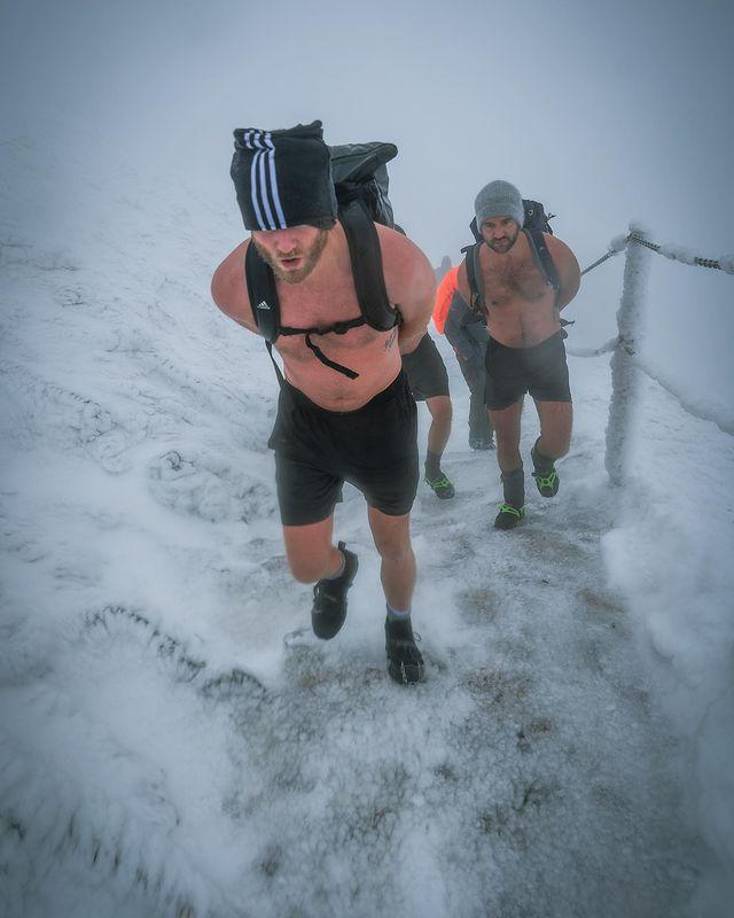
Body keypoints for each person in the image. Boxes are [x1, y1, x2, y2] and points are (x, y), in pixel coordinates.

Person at [210, 121, 435, 683]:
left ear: (327, 211)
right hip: (306, 423)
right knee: (305, 564)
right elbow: (271, 335)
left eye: (299, 222)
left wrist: (365, 364)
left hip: (382, 417)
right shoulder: (233, 287)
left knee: (394, 541)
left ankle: (399, 623)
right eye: (265, 227)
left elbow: (407, 339)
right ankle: (340, 572)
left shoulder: (399, 265)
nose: (283, 244)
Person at [457, 180, 581, 529]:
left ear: (518, 220)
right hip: (504, 357)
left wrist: (546, 316)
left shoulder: (551, 249)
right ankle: (513, 503)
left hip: (548, 354)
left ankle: (543, 461)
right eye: (489, 225)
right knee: (506, 438)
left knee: (559, 441)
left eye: (505, 223)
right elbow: (476, 305)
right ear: (480, 226)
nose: (498, 233)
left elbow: (569, 286)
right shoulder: (470, 267)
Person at [434, 266, 494, 451]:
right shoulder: (464, 294)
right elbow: (451, 328)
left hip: (482, 347)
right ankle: (477, 437)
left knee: (488, 391)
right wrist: (470, 354)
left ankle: (485, 437)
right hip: (469, 352)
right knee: (479, 391)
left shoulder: (485, 288)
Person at [402, 332, 456, 499]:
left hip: (421, 352)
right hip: (382, 357)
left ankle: (433, 469)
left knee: (443, 412)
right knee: (393, 421)